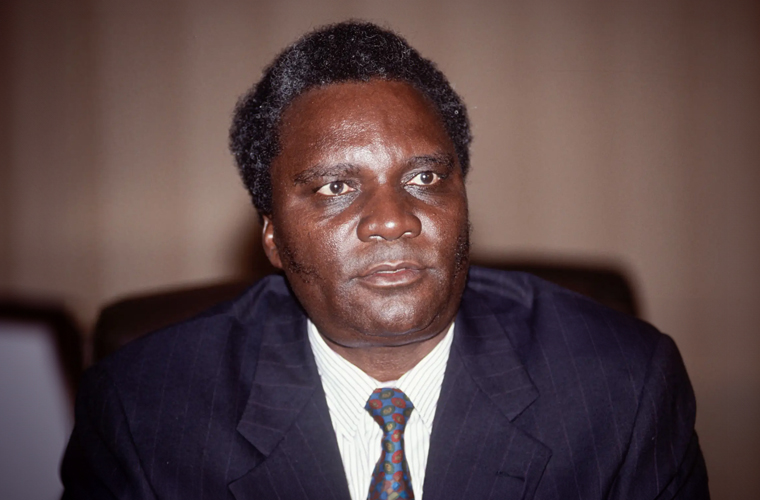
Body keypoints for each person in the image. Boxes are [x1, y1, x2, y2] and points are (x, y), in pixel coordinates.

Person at [61, 21, 709, 500]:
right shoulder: (142, 412)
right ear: (272, 237)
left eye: (424, 178)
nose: (393, 219)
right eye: (335, 187)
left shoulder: (623, 386)